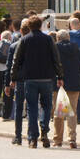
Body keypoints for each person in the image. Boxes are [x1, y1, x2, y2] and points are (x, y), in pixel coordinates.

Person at [9, 16, 63, 148]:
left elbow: (16, 60)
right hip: (46, 78)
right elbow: (56, 58)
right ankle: (44, 130)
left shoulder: (24, 40)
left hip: (30, 78)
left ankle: (33, 138)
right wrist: (60, 76)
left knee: (32, 108)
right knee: (46, 106)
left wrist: (13, 77)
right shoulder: (48, 39)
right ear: (40, 26)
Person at [53, 29, 80, 149]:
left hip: (59, 83)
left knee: (59, 113)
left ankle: (57, 139)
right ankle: (72, 139)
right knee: (72, 113)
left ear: (57, 38)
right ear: (68, 38)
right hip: (74, 83)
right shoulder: (76, 48)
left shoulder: (55, 48)